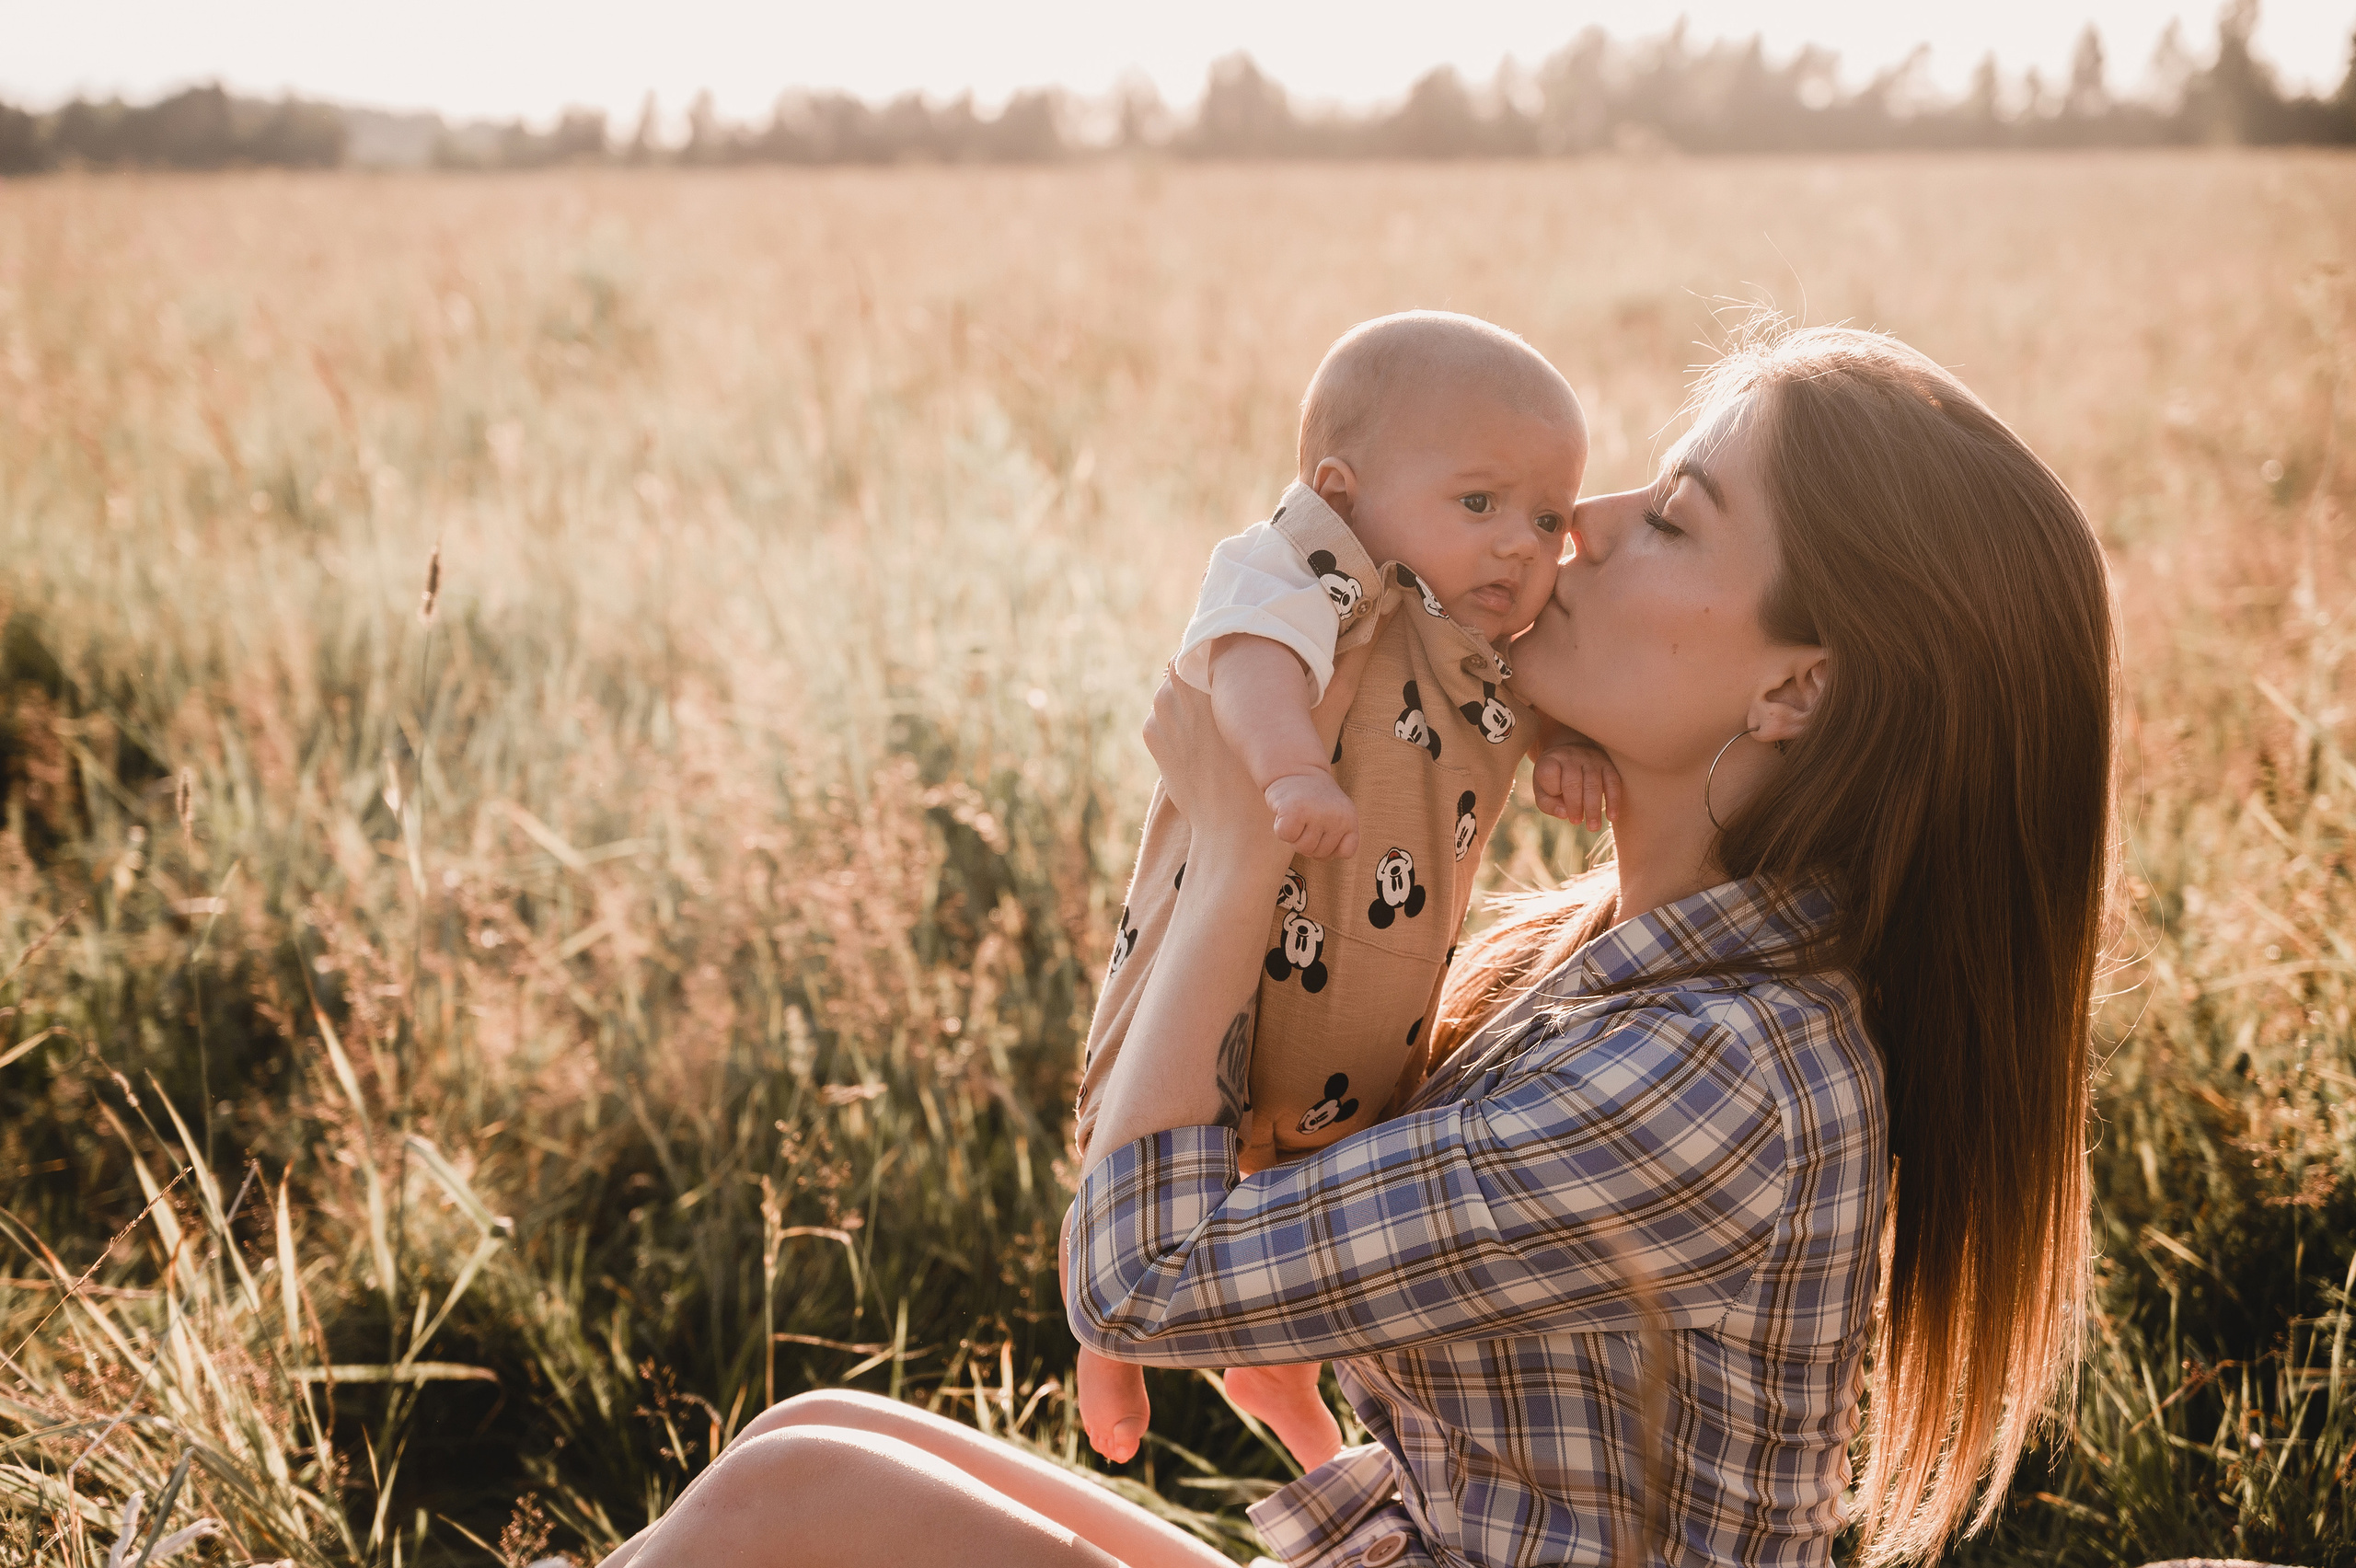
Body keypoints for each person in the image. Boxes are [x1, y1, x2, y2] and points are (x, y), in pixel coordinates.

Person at [595, 323, 2114, 1568]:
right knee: (802, 1438)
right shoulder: (1601, 957)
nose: (1571, 533)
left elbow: (1139, 1279)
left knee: (784, 1516)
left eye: (1667, 520)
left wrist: (1239, 842)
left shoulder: (1723, 1074)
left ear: (1794, 691)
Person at [1068, 310, 1619, 1471]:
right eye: (1478, 504)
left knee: (1315, 1198)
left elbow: (1544, 700)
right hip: (1217, 959)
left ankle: (1277, 1365)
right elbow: (1246, 655)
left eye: (1547, 519)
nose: (1520, 547)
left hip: (1363, 1018)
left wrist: (1565, 745)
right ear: (1340, 492)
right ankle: (1105, 1335)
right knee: (1151, 1135)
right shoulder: (1313, 569)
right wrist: (1287, 767)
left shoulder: (1487, 644)